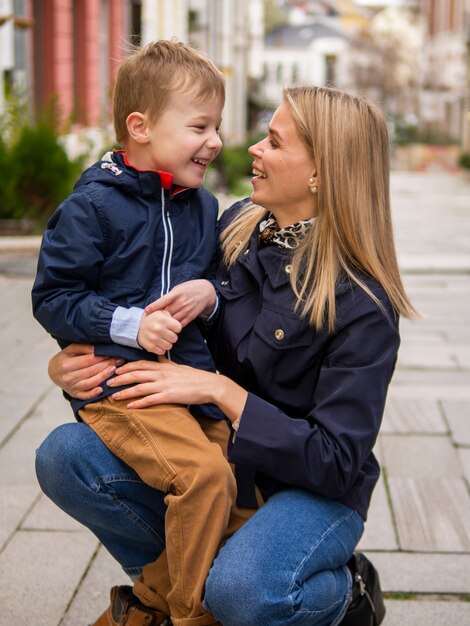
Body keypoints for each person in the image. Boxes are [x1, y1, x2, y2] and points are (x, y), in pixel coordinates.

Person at [36, 85, 418, 626]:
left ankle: (344, 593)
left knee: (244, 589)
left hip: (305, 489)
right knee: (66, 455)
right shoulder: (235, 227)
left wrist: (222, 391)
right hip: (215, 462)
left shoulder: (364, 302)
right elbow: (137, 306)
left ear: (320, 173)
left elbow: (336, 462)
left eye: (274, 141)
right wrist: (70, 363)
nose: (252, 149)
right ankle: (176, 593)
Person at [31, 40, 255, 626]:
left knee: (234, 500)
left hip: (189, 381)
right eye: (200, 126)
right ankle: (188, 615)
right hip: (123, 384)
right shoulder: (92, 208)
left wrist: (208, 293)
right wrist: (128, 324)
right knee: (204, 480)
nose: (216, 141)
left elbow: (212, 280)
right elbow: (54, 298)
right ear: (141, 126)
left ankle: (142, 609)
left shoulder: (202, 208)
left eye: (218, 126)